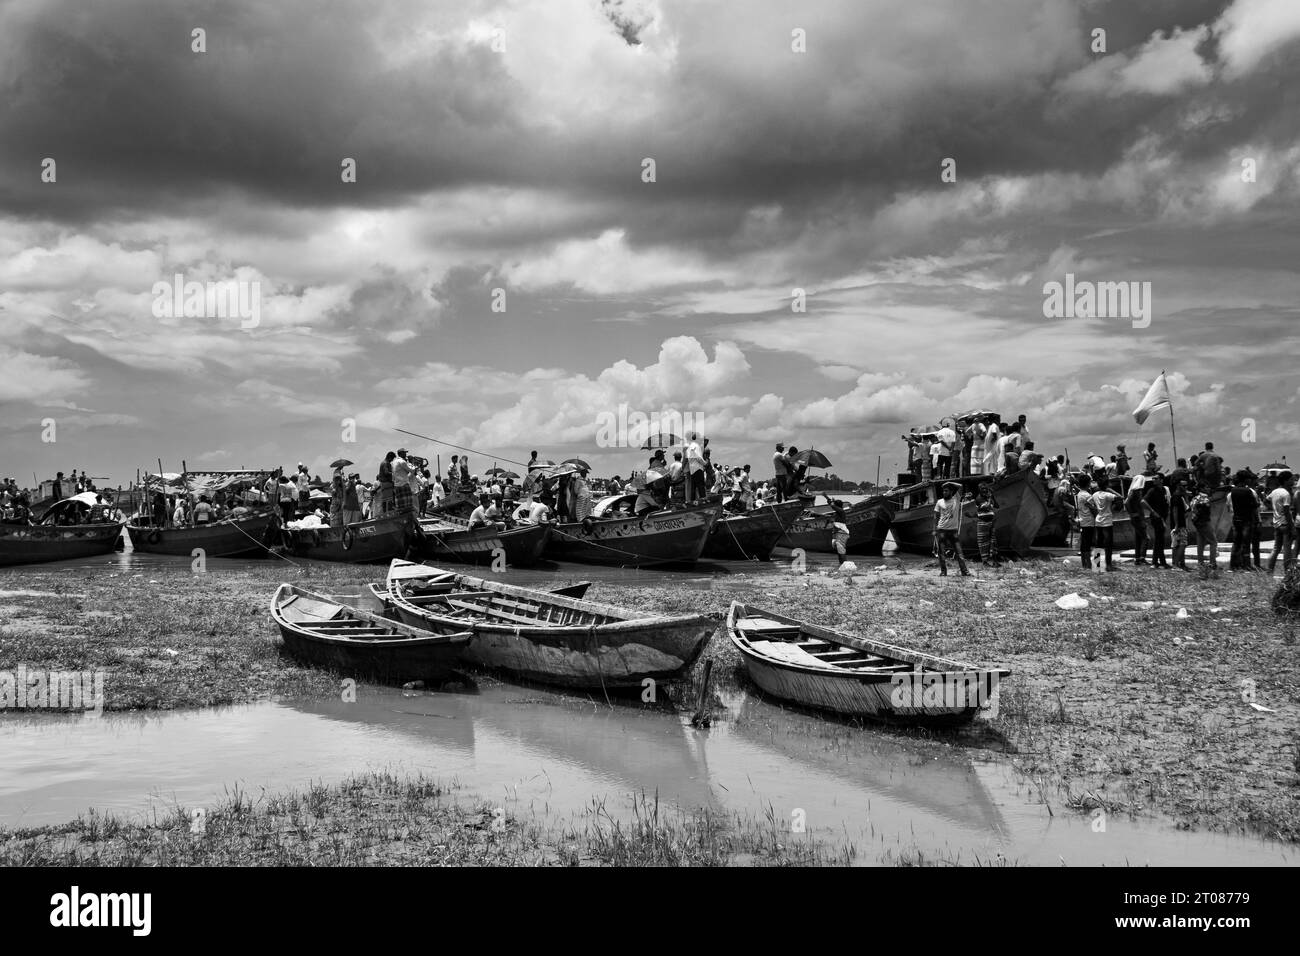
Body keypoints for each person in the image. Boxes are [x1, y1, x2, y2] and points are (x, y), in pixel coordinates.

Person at [933, 482, 970, 576]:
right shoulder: (939, 502)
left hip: (953, 530)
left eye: (946, 491)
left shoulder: (956, 499)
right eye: (943, 491)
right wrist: (934, 529)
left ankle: (964, 572)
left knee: (959, 552)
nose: (944, 493)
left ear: (951, 492)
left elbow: (960, 486)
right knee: (941, 552)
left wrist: (949, 482)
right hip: (941, 530)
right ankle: (943, 571)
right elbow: (936, 516)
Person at [1228, 471, 1260, 573]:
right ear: (1245, 479)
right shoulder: (1247, 491)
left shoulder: (1233, 491)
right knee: (1246, 544)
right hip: (1247, 519)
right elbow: (1254, 505)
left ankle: (1233, 565)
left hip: (1236, 519)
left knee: (1236, 543)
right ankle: (1246, 565)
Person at [1266, 472, 1294, 574]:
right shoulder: (1286, 494)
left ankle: (1269, 570)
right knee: (1287, 549)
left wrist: (1274, 509)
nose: (1293, 481)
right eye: (1291, 479)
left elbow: (1266, 500)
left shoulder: (1275, 492)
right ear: (1286, 481)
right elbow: (1287, 512)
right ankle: (1287, 571)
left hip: (1276, 523)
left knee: (1276, 548)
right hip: (1285, 524)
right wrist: (1292, 526)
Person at [1091, 477, 1121, 571]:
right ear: (1107, 485)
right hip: (1107, 521)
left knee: (1098, 543)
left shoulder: (1095, 494)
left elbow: (1091, 504)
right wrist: (1111, 490)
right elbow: (1120, 497)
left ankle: (1097, 565)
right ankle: (1108, 565)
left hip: (1098, 520)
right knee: (1108, 545)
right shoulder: (1108, 495)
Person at [1190, 483, 1218, 577]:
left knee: (1200, 545)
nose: (1208, 488)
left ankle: (1200, 565)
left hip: (1197, 523)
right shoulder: (1204, 498)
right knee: (1213, 542)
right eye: (1206, 486)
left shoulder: (1194, 498)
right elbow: (1206, 506)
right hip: (1205, 522)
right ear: (1202, 488)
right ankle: (1212, 564)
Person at [1143, 473, 1170, 568]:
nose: (1153, 480)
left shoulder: (1163, 490)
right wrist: (1152, 511)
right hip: (1156, 518)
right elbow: (1143, 501)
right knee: (1159, 540)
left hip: (1162, 517)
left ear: (1161, 480)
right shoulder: (1152, 491)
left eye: (1156, 478)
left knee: (1160, 540)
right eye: (1153, 478)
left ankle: (1161, 562)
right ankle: (1156, 562)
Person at [1125, 474, 1149, 565]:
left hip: (1137, 517)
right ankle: (1142, 557)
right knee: (1146, 538)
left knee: (1138, 538)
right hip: (1137, 518)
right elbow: (1126, 502)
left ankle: (1137, 558)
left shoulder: (1133, 491)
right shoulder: (1135, 491)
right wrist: (1132, 513)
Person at [1170, 479, 1191, 571]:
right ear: (1178, 486)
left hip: (1182, 524)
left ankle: (1181, 563)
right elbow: (1175, 511)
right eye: (1183, 486)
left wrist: (1186, 497)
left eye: (1186, 486)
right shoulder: (1176, 497)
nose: (1186, 487)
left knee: (1179, 544)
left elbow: (1187, 510)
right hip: (1178, 525)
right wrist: (1176, 525)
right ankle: (1175, 564)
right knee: (1181, 544)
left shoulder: (1181, 496)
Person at [974, 482, 998, 567]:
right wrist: (990, 497)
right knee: (983, 543)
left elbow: (997, 506)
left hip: (991, 522)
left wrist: (993, 496)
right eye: (982, 489)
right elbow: (987, 506)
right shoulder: (979, 498)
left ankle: (995, 561)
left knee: (993, 542)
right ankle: (985, 562)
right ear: (979, 490)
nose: (984, 491)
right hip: (982, 522)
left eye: (986, 489)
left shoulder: (989, 498)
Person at [1075, 478, 1097, 570]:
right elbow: (1093, 508)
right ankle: (1091, 565)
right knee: (1089, 544)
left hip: (1082, 521)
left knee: (1084, 544)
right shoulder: (1088, 496)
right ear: (1088, 484)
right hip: (1089, 522)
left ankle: (1085, 565)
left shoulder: (1079, 494)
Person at [685, 433, 706, 500]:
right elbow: (698, 457)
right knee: (701, 487)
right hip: (698, 468)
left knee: (693, 488)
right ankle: (703, 501)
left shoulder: (688, 448)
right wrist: (705, 463)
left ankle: (692, 502)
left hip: (692, 469)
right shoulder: (696, 446)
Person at [830, 500, 850, 565]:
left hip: (842, 533)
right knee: (838, 549)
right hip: (837, 533)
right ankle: (841, 564)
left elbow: (832, 506)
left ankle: (845, 565)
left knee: (841, 549)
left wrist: (831, 502)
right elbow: (832, 505)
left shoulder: (841, 511)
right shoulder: (838, 512)